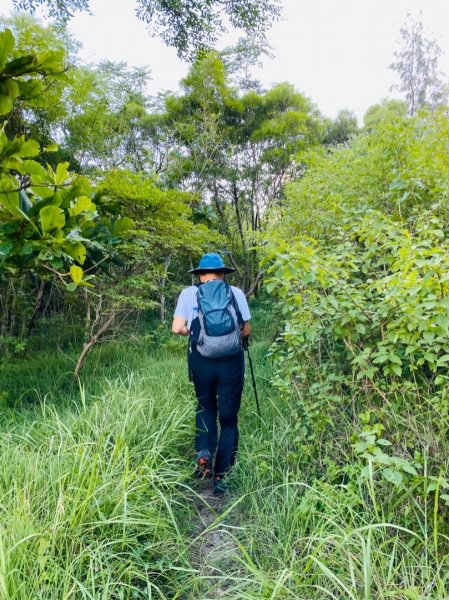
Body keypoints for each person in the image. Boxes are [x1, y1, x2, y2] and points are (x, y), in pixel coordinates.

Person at [172, 253, 251, 494]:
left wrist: (196, 334)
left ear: (200, 274)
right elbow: (245, 329)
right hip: (231, 362)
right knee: (229, 418)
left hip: (202, 361)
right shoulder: (235, 293)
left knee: (205, 406)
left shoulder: (189, 294)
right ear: (222, 273)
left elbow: (177, 328)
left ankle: (204, 451)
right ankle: (221, 476)